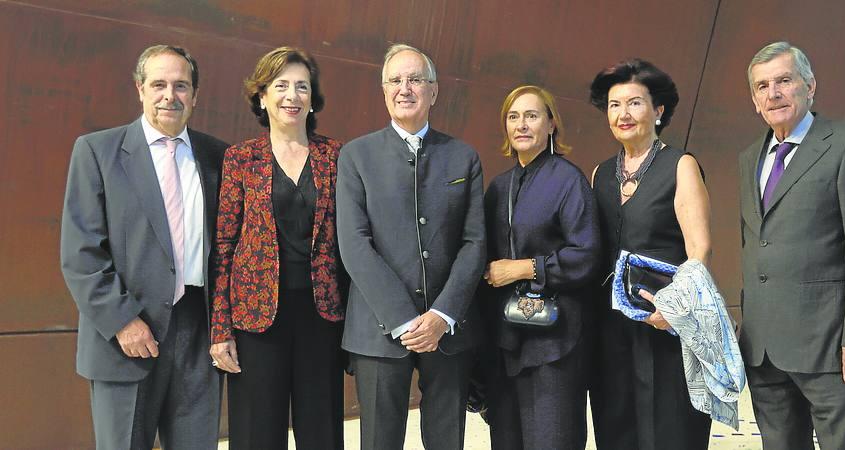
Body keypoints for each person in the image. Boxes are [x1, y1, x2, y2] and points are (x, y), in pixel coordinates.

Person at [60, 44, 226, 450]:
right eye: (159, 84)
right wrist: (122, 321)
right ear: (140, 89)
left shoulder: (219, 157)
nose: (170, 95)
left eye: (181, 86)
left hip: (199, 337)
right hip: (127, 336)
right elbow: (81, 252)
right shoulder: (98, 152)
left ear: (195, 95)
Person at [738, 41, 845, 450]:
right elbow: (756, 247)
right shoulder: (749, 158)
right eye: (762, 86)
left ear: (810, 86)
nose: (773, 93)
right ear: (754, 100)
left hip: (832, 349)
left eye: (784, 81)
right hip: (764, 351)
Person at [336, 43, 486, 450]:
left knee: (446, 440)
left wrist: (442, 315)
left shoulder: (464, 157)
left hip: (449, 329)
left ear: (434, 91)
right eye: (396, 80)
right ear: (384, 91)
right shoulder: (355, 156)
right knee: (379, 441)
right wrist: (405, 320)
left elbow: (474, 243)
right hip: (379, 333)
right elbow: (354, 244)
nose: (405, 88)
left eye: (416, 79)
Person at [209, 46, 345, 449]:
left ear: (312, 98)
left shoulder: (337, 156)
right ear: (262, 96)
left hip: (322, 316)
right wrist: (221, 328)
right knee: (256, 434)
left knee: (321, 432)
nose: (292, 96)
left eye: (302, 87)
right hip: (255, 319)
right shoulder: (240, 159)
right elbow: (224, 245)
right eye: (281, 85)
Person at [587, 58, 713, 449]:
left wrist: (673, 308)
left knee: (670, 429)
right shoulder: (600, 174)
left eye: (635, 103)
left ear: (658, 111)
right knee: (616, 426)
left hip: (666, 324)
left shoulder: (681, 166)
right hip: (612, 328)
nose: (623, 114)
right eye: (614, 105)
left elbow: (700, 247)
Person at [479, 85, 600, 449]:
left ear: (551, 125)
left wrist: (523, 269)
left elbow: (587, 254)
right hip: (507, 340)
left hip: (556, 342)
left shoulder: (568, 180)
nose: (522, 124)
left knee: (553, 440)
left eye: (532, 116)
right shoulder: (499, 188)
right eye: (513, 117)